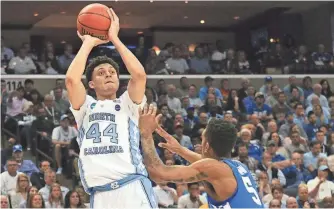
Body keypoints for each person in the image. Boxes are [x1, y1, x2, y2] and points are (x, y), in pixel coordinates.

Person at [65, 8, 155, 209]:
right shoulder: (86, 107)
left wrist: (114, 38)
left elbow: (139, 76)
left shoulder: (127, 103)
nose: (108, 74)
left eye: (113, 72)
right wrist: (88, 42)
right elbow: (71, 80)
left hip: (131, 187)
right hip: (100, 194)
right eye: (101, 73)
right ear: (91, 84)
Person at [138, 104, 264, 208]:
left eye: (201, 139)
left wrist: (146, 134)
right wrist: (180, 150)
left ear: (207, 145)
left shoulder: (213, 168)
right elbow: (207, 163)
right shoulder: (238, 166)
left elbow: (159, 174)